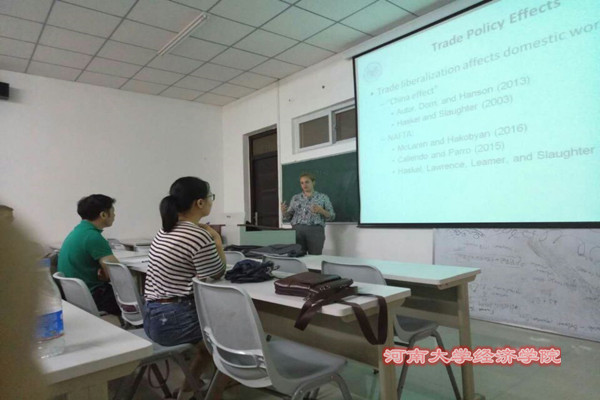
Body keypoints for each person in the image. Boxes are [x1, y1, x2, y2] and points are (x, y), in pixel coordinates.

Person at [143, 176, 227, 400]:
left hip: (152, 316)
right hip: (174, 320)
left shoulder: (164, 230)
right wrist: (217, 240)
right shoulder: (197, 234)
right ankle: (211, 394)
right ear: (200, 203)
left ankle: (187, 390)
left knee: (208, 345)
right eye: (210, 197)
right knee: (228, 341)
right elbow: (216, 273)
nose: (211, 201)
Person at [57, 194, 120, 315]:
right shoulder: (93, 237)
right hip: (94, 296)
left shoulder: (77, 232)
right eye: (113, 211)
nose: (114, 215)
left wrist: (104, 273)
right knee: (142, 300)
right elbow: (117, 274)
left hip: (75, 297)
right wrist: (106, 275)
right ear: (103, 215)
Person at [281, 172, 335, 255]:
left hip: (315, 230)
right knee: (297, 255)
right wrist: (284, 212)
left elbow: (332, 216)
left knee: (315, 257)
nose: (304, 185)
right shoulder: (295, 198)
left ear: (313, 182)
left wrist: (322, 211)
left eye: (307, 182)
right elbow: (288, 217)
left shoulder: (323, 197)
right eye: (302, 183)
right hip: (297, 230)